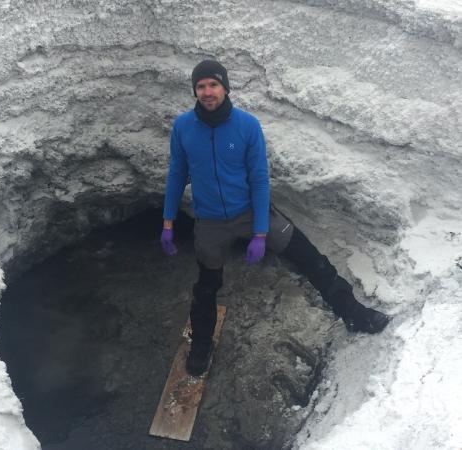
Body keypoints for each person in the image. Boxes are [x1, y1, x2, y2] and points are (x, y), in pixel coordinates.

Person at [160, 60, 389, 377]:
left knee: (310, 258)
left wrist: (260, 233)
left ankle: (354, 313)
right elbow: (176, 175)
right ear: (195, 91)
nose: (207, 92)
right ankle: (201, 346)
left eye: (213, 84)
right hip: (210, 222)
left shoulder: (246, 125)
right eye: (201, 86)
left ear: (225, 88)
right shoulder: (183, 128)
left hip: (251, 211)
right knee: (207, 286)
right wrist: (168, 222)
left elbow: (260, 179)